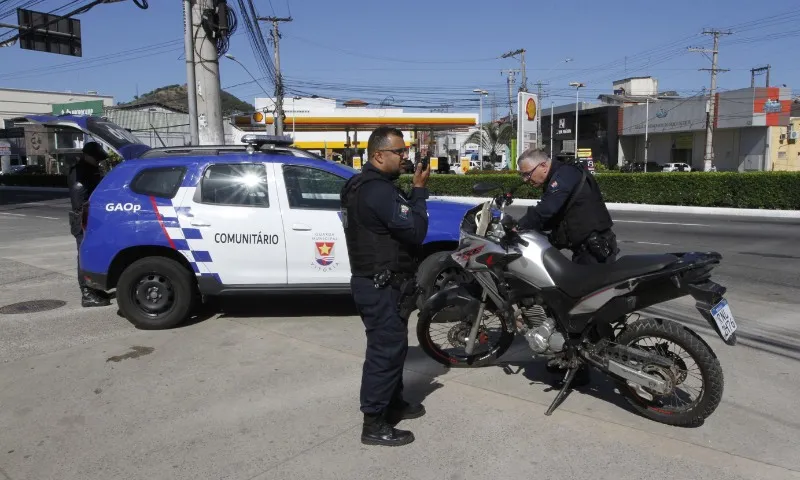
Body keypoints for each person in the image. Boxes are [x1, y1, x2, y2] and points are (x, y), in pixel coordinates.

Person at [340, 126, 431, 447]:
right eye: (399, 152)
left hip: (381, 283)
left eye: (405, 151)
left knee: (394, 349)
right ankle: (374, 422)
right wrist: (419, 192)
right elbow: (416, 230)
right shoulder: (377, 191)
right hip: (381, 286)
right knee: (385, 352)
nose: (405, 157)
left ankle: (393, 403)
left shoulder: (362, 185)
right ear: (379, 155)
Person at [505, 148, 619, 385]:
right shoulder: (560, 177)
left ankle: (580, 367)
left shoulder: (563, 176)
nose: (526, 180)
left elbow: (547, 210)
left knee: (577, 309)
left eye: (527, 174)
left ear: (543, 166)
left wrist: (519, 227)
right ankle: (584, 358)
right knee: (581, 307)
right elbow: (558, 218)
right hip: (586, 249)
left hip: (594, 250)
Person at [68, 141, 111, 308]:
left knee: (94, 252)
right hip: (83, 218)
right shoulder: (80, 171)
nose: (99, 161)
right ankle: (87, 293)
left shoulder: (91, 169)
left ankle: (94, 288)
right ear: (87, 156)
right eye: (97, 159)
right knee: (84, 254)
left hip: (91, 217)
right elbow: (80, 198)